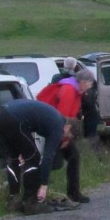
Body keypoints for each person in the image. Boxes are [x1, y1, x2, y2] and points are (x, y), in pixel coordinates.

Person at [0, 98, 79, 215]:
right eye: (67, 137)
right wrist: (43, 186)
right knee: (33, 158)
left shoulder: (53, 116)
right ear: (68, 127)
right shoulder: (58, 125)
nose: (64, 140)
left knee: (14, 158)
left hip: (1, 113)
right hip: (15, 119)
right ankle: (31, 203)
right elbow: (48, 157)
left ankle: (13, 201)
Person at [36, 67, 95, 203]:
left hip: (60, 130)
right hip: (54, 130)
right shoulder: (69, 90)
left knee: (73, 156)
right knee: (54, 162)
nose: (90, 87)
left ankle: (74, 193)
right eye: (90, 83)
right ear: (84, 82)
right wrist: (65, 137)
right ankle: (34, 190)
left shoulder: (75, 90)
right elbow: (62, 117)